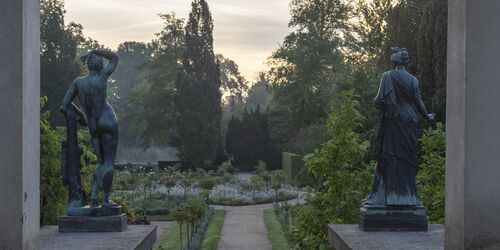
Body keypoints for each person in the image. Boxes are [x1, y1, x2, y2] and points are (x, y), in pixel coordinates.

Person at [364, 48, 435, 206]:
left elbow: (379, 100)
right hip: (410, 119)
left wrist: (376, 102)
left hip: (393, 120)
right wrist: (427, 115)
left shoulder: (387, 76)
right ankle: (407, 196)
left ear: (394, 60)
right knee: (406, 159)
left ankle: (385, 196)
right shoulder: (413, 80)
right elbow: (418, 102)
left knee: (388, 156)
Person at [60, 49, 120, 207]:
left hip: (93, 124)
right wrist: (94, 50)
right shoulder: (102, 76)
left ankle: (93, 197)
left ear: (88, 65)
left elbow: (64, 106)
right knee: (108, 163)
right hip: (107, 119)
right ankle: (105, 200)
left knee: (100, 162)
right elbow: (115, 57)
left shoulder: (78, 82)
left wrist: (80, 115)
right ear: (100, 65)